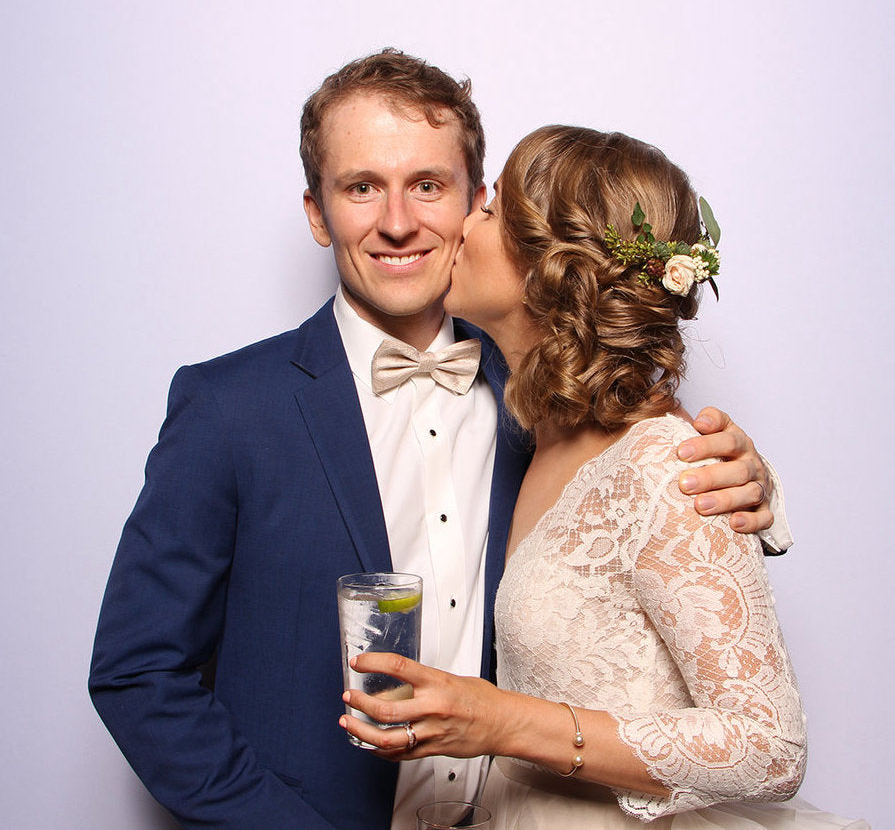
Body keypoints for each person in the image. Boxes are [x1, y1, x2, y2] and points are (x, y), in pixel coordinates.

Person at [89, 52, 788, 830]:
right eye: (360, 187)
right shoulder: (228, 408)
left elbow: (637, 477)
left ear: (476, 201)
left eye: (427, 184)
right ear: (318, 212)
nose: (396, 220)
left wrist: (748, 477)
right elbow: (138, 671)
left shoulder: (546, 402)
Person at [340, 126, 868, 828]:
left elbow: (770, 747)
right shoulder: (538, 432)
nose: (463, 223)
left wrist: (502, 720)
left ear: (552, 266)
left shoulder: (671, 463)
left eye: (491, 210)